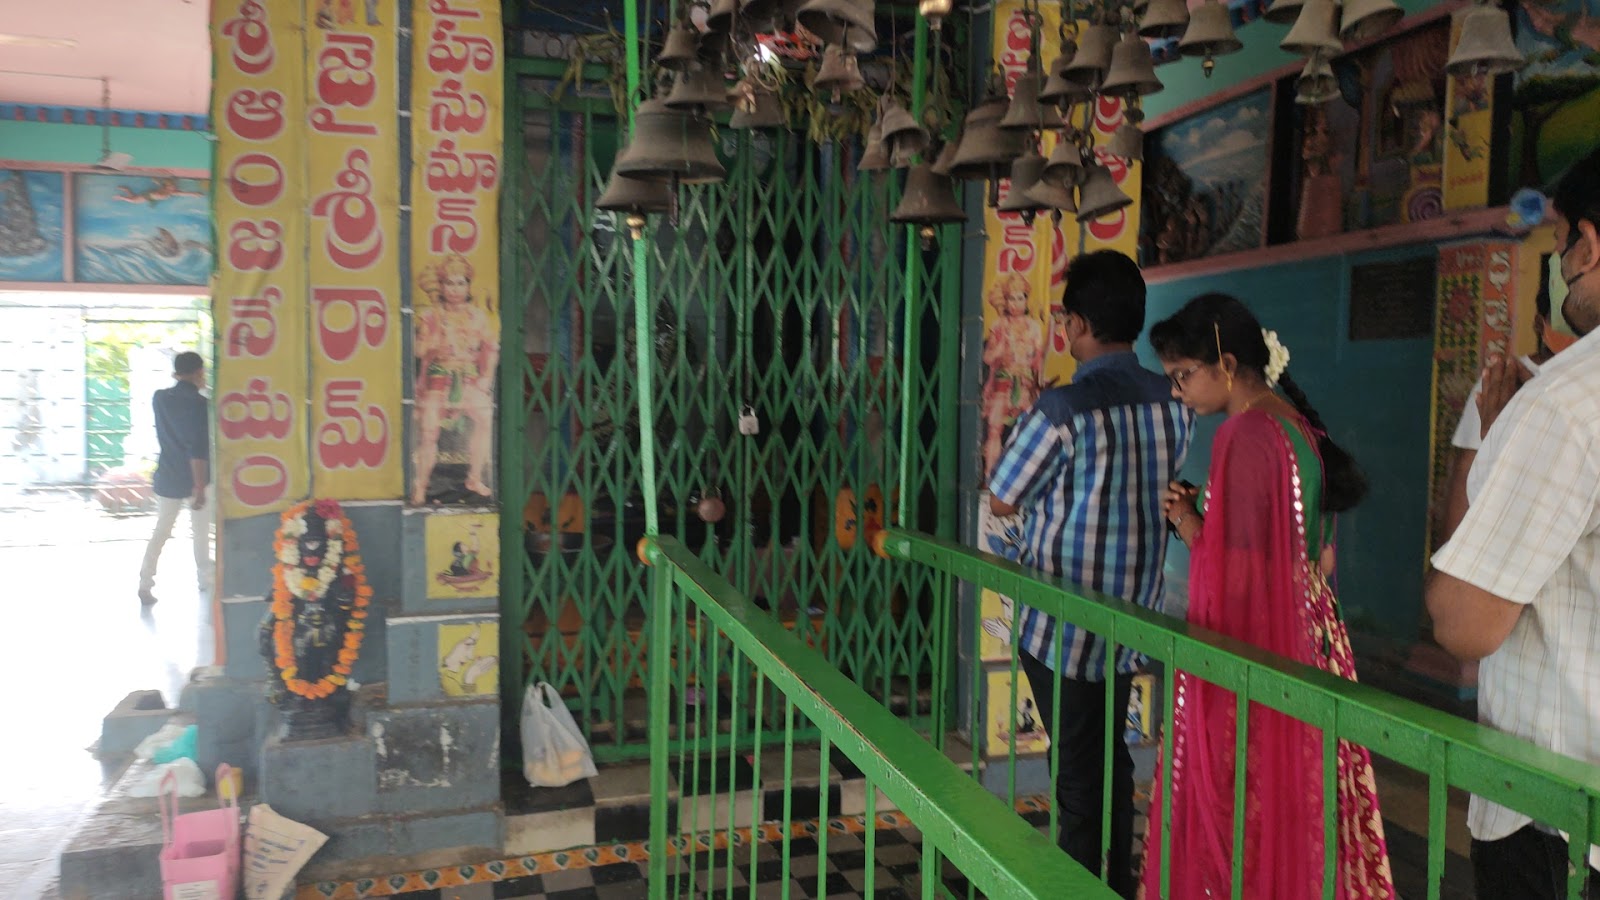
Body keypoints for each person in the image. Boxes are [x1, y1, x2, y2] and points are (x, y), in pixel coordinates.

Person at [1144, 294, 1394, 899]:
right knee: (1299, 795)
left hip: (1264, 641)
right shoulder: (1295, 425)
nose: (1179, 393)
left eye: (1184, 377)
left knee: (1249, 803)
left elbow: (1241, 582)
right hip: (1311, 636)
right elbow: (1319, 555)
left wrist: (1187, 525)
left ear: (1227, 365)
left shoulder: (1246, 434)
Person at [987, 250, 1193, 897]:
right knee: (1113, 759)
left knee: (1076, 769)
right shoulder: (1174, 399)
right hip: (1132, 617)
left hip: (1062, 626)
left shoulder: (1063, 409)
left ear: (1076, 325)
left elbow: (1002, 495)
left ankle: (1077, 887)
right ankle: (1119, 883)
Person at [1427, 147, 1600, 899]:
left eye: (1560, 242)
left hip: (1559, 821)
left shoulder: (1564, 400)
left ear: (1587, 246)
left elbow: (1464, 622)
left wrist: (1497, 448)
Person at [1439, 266, 1579, 542]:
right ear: (1540, 324)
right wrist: (1448, 554)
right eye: (1564, 324)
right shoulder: (1503, 380)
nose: (1574, 336)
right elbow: (1466, 468)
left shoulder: (1586, 382)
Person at [413, 254, 499, 505]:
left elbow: (491, 349)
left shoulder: (478, 317)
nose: (455, 289)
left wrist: (486, 379)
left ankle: (474, 477)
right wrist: (434, 339)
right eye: (449, 283)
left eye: (460, 283)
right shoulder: (430, 316)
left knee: (485, 416)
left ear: (468, 285)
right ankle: (421, 485)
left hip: (469, 380)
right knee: (429, 431)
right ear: (441, 286)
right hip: (439, 380)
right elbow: (419, 351)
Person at [139, 351, 212, 606]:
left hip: (168, 475)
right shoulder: (200, 405)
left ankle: (145, 582)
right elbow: (197, 448)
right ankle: (206, 583)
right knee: (201, 533)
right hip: (196, 478)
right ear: (198, 373)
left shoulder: (159, 398)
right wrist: (200, 487)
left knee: (161, 530)